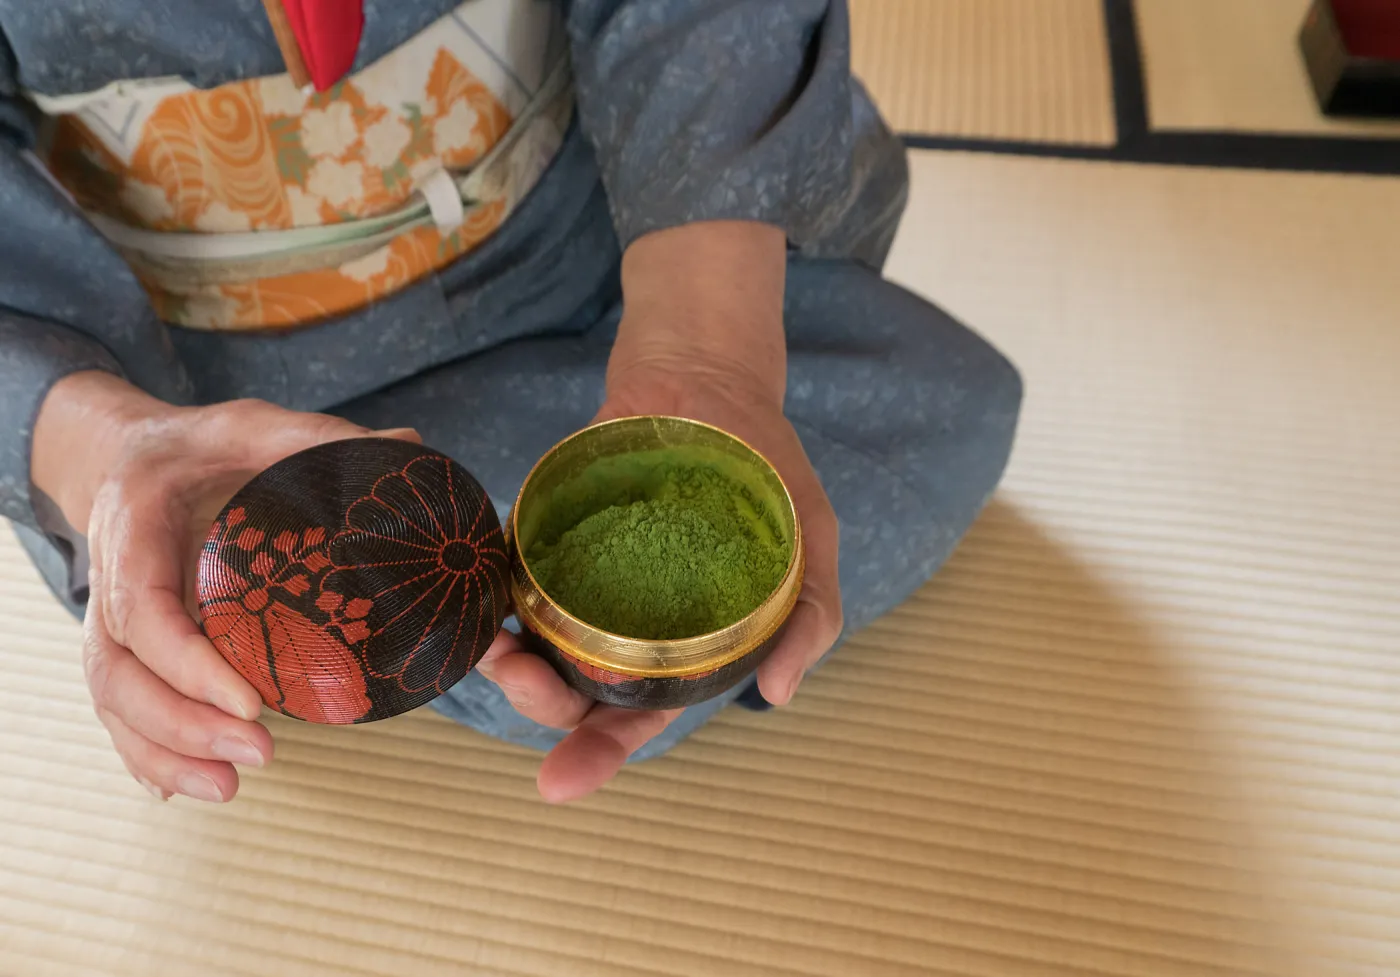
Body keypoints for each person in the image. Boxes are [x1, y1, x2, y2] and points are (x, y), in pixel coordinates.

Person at [0, 0, 1021, 806]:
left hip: (607, 228)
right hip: (247, 389)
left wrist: (707, 351)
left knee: (952, 404)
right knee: (448, 636)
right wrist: (112, 443)